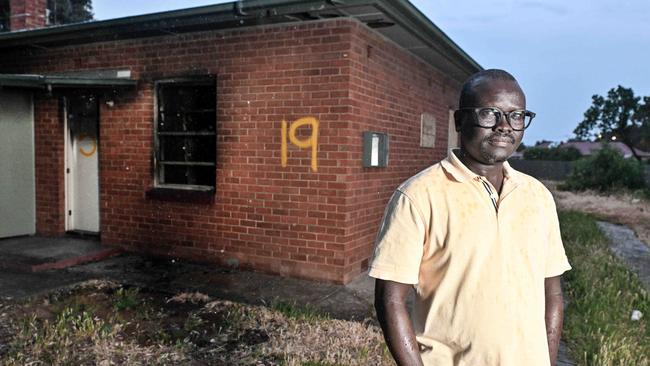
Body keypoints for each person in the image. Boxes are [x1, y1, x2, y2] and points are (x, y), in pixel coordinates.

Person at [369, 69, 571, 366]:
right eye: (490, 113)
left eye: (516, 116)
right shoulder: (418, 196)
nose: (504, 126)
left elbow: (552, 292)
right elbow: (390, 300)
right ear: (459, 121)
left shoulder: (537, 197)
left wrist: (548, 359)